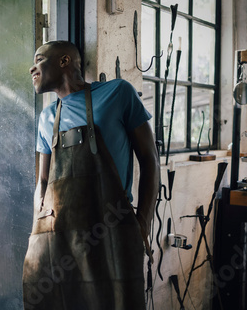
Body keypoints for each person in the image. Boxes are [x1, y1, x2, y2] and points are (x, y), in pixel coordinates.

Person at [22, 40, 160, 310]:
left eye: (39, 59)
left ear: (64, 61)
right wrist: (38, 231)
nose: (32, 68)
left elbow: (150, 159)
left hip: (112, 232)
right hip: (60, 237)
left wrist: (143, 220)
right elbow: (43, 182)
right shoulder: (47, 117)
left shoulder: (118, 93)